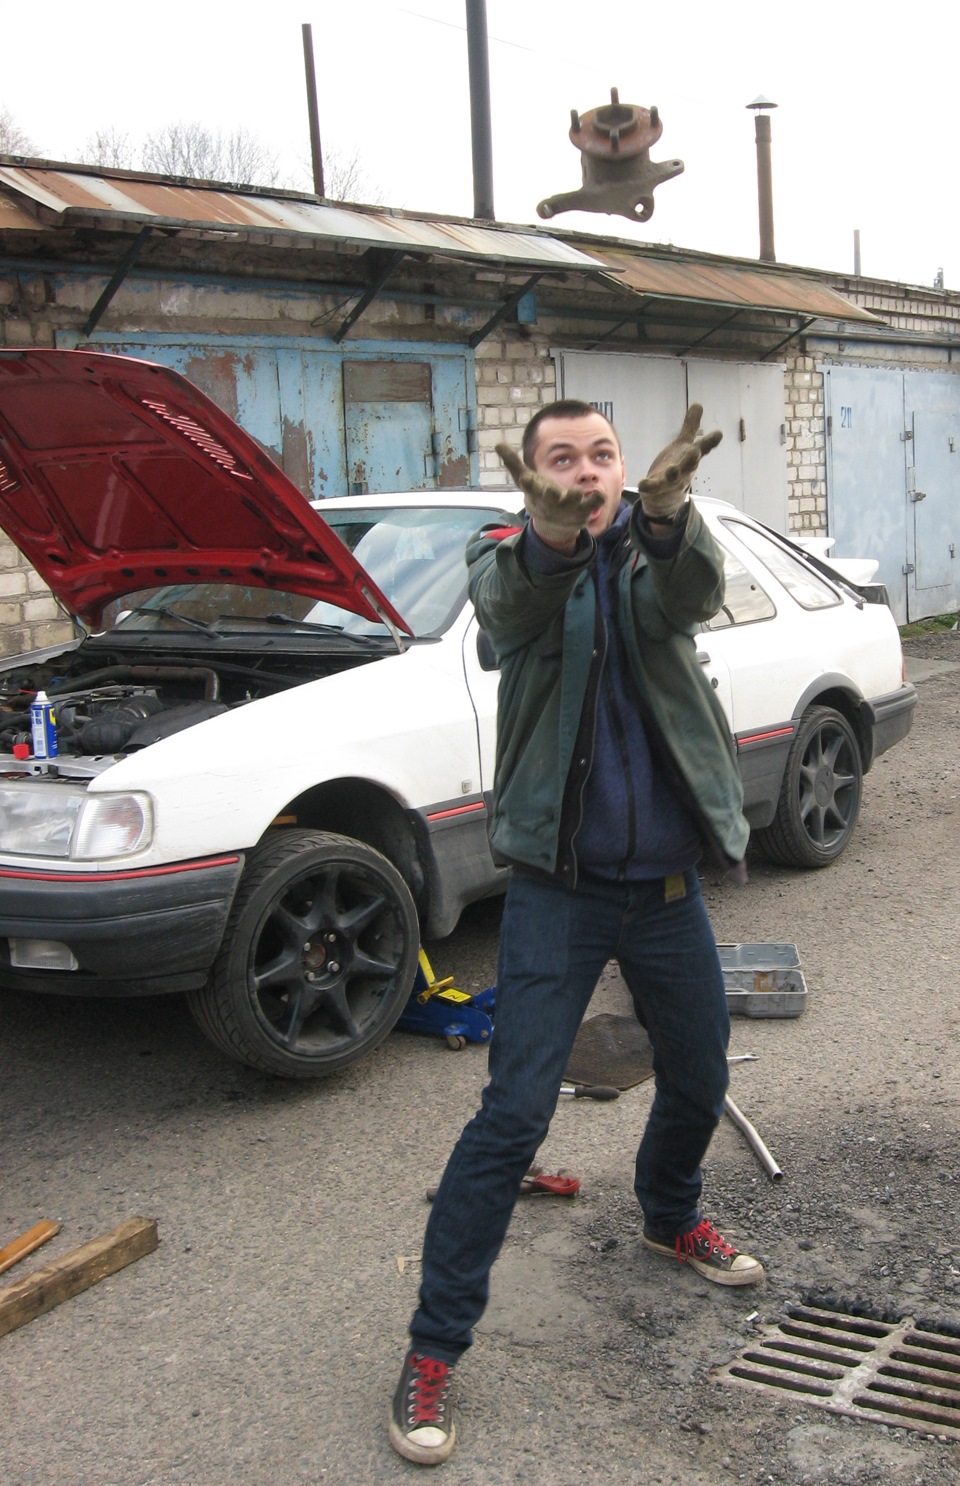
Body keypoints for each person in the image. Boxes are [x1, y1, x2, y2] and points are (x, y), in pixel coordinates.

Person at [389, 399, 761, 1467]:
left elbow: (696, 596)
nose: (586, 471)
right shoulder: (507, 555)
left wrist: (670, 510)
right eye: (563, 459)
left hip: (666, 887)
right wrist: (552, 536)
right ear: (533, 477)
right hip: (559, 889)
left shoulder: (660, 551)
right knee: (512, 1117)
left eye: (602, 454)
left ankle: (667, 1211)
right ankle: (432, 1347)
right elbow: (505, 617)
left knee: (695, 1076)